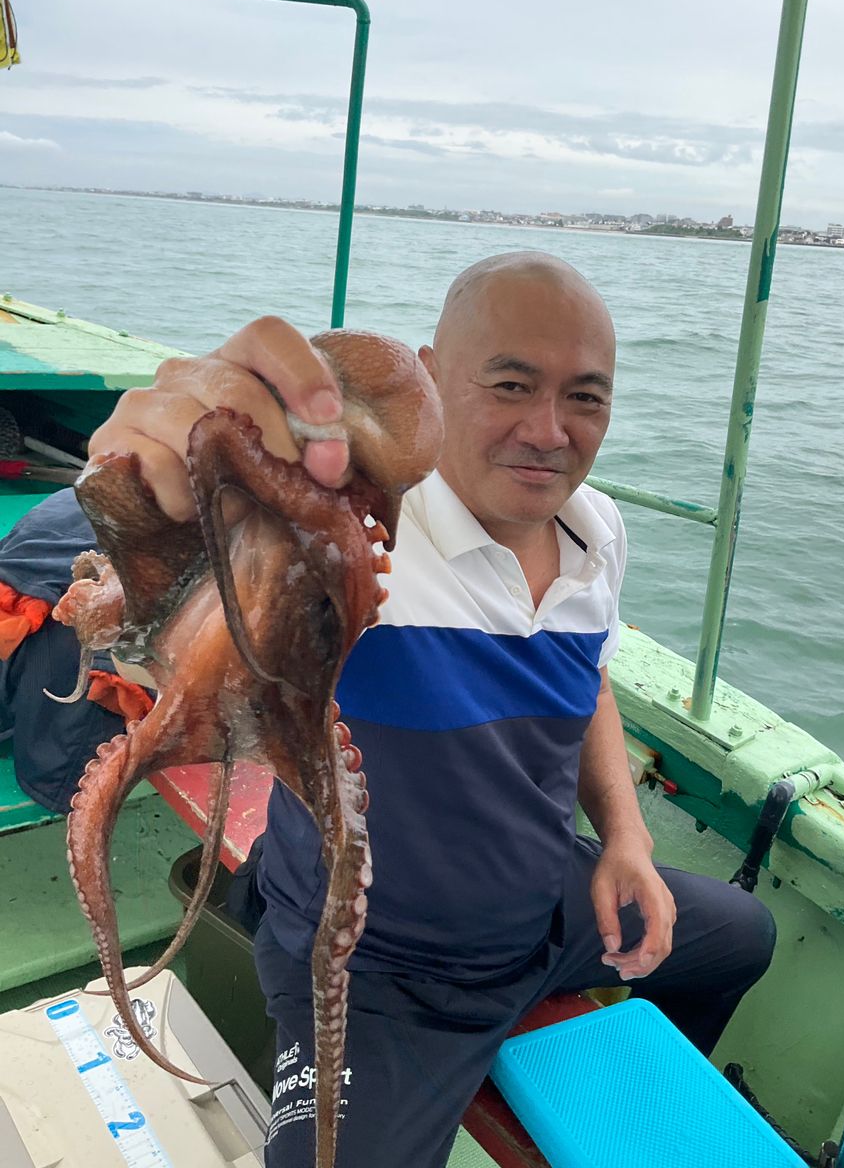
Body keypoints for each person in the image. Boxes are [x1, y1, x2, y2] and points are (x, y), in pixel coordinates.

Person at [0, 251, 775, 1167]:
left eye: (585, 398)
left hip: (542, 908)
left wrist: (626, 841)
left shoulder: (597, 529)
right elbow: (195, 566)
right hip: (375, 967)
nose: (548, 430)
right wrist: (159, 482)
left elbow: (590, 680)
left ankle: (627, 1096)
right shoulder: (349, 556)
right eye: (511, 385)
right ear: (432, 378)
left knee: (743, 937)